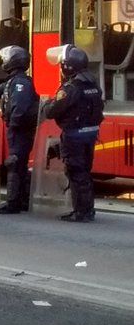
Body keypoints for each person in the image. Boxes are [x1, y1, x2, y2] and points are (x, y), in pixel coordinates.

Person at [43, 44, 104, 222]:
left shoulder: (70, 88)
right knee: (85, 171)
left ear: (68, 66)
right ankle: (88, 209)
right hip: (91, 134)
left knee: (75, 172)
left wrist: (47, 103)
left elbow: (51, 111)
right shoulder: (92, 84)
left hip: (74, 136)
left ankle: (81, 212)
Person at [0, 46, 38, 214]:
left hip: (20, 130)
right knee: (19, 165)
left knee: (14, 164)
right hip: (19, 130)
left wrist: (13, 124)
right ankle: (22, 201)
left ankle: (13, 203)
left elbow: (20, 108)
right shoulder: (15, 80)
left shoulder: (20, 83)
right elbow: (0, 91)